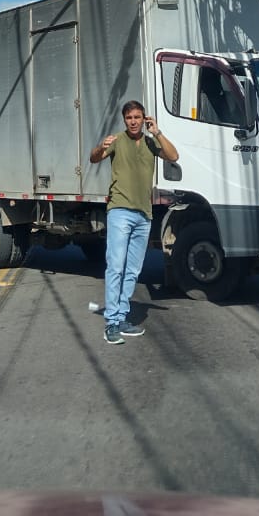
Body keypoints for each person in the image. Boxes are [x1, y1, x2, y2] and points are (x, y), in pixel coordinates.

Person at [90, 100, 179, 346]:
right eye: (129, 118)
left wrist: (157, 132)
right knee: (116, 266)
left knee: (132, 270)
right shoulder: (117, 141)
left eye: (137, 117)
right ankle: (111, 323)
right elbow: (94, 159)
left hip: (143, 214)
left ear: (144, 119)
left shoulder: (151, 142)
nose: (133, 121)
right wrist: (100, 147)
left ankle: (121, 317)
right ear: (124, 120)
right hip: (120, 210)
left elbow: (173, 156)